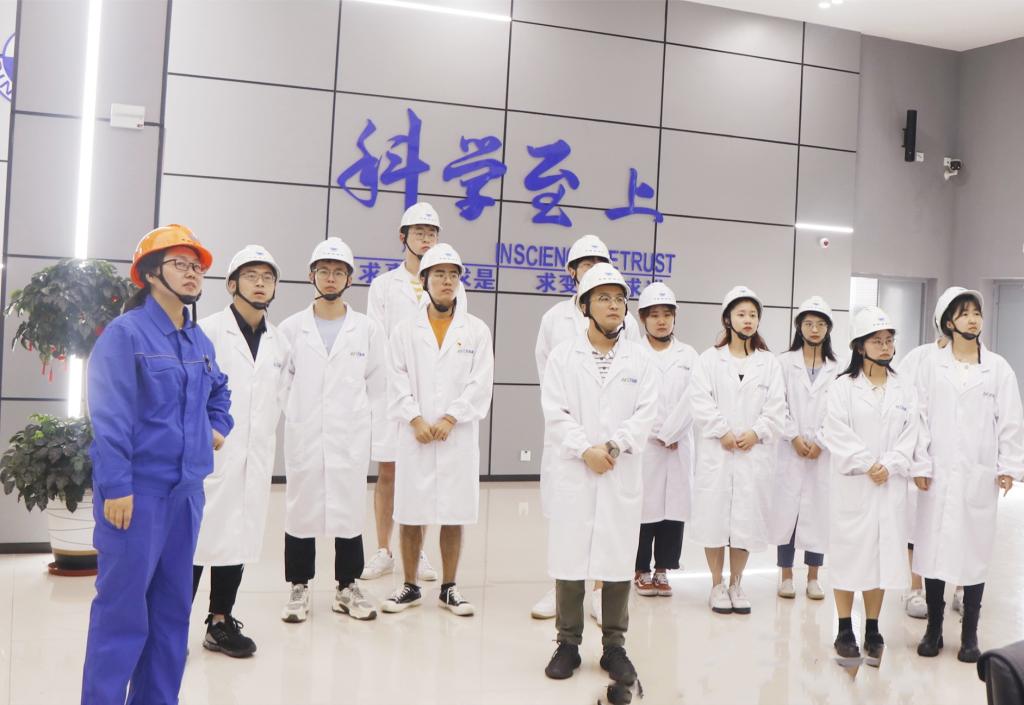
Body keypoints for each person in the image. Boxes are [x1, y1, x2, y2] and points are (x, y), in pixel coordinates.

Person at [81, 225, 233, 705]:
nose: (192, 274)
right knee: (122, 614)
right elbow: (109, 416)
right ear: (150, 274)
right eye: (180, 264)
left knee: (171, 615)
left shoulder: (198, 340)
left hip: (186, 495)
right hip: (137, 495)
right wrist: (117, 486)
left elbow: (220, 392)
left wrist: (217, 426)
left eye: (197, 266)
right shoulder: (125, 335)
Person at [540, 263, 658, 684]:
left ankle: (614, 646)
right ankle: (568, 643)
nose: (613, 305)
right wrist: (584, 449)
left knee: (617, 558)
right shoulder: (563, 356)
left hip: (618, 470)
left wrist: (613, 446)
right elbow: (555, 412)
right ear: (585, 305)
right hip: (576, 470)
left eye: (619, 298)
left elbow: (646, 412)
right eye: (604, 298)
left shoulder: (640, 358)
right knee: (570, 556)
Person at [276, 238, 387, 623]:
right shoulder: (291, 329)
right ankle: (299, 586)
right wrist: (299, 414)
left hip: (349, 435)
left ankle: (347, 586)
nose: (330, 277)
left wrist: (362, 422)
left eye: (339, 271)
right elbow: (281, 384)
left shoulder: (367, 329)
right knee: (300, 508)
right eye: (323, 270)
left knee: (349, 508)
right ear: (311, 275)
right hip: (305, 433)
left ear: (350, 279)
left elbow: (379, 384)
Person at [532, 234, 641, 622]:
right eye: (586, 263)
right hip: (571, 444)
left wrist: (611, 445)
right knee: (567, 524)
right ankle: (562, 594)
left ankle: (600, 594)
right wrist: (581, 445)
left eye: (601, 262)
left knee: (611, 526)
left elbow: (640, 391)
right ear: (572, 272)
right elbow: (550, 383)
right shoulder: (554, 320)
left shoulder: (628, 327)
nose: (594, 269)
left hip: (615, 451)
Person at [912, 289, 1024, 663]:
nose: (974, 319)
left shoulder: (998, 368)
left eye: (977, 312)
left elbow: (1010, 420)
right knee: (933, 549)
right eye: (965, 313)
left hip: (978, 474)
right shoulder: (930, 366)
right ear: (949, 322)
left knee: (974, 551)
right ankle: (933, 629)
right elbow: (918, 416)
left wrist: (1008, 466)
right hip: (937, 472)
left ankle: (970, 634)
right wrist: (920, 463)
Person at [382, 244, 494, 616]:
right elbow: (395, 377)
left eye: (453, 275)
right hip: (414, 434)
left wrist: (451, 418)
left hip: (456, 436)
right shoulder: (404, 330)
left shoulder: (476, 330)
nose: (447, 281)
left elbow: (481, 382)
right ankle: (410, 585)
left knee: (454, 510)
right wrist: (415, 418)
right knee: (410, 511)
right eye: (440, 274)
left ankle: (449, 587)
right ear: (425, 280)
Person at [191, 245, 289, 657]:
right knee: (195, 540)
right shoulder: (207, 331)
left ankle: (220, 621)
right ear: (232, 284)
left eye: (268, 277)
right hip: (209, 453)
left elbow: (280, 397)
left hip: (254, 454)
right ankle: (169, 626)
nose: (260, 283)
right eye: (251, 276)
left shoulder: (280, 342)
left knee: (238, 535)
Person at [363, 202, 463, 584]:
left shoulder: (452, 286)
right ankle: (383, 550)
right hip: (392, 391)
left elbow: (457, 336)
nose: (426, 239)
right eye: (419, 232)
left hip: (432, 395)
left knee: (421, 475)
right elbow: (377, 341)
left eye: (431, 233)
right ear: (403, 236)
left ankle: (416, 551)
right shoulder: (383, 286)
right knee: (388, 470)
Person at [821, 306, 922, 667]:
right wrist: (868, 463)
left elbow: (913, 432)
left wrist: (890, 464)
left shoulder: (904, 388)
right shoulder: (842, 387)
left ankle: (873, 629)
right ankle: (844, 628)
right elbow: (835, 430)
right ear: (859, 346)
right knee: (849, 556)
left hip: (888, 485)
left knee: (881, 558)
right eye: (876, 340)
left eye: (889, 340)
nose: (885, 346)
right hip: (855, 484)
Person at [687, 286, 787, 615]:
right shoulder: (708, 360)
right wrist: (722, 431)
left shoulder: (768, 363)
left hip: (752, 455)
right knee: (714, 519)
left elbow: (777, 407)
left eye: (753, 315)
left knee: (746, 522)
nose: (748, 320)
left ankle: (736, 583)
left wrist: (757, 432)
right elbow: (699, 401)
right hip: (718, 453)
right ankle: (716, 584)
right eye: (741, 314)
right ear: (727, 319)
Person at [770, 296, 841, 602]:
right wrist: (794, 437)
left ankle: (813, 577)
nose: (814, 329)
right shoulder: (783, 363)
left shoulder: (838, 368)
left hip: (823, 453)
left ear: (828, 329)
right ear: (799, 327)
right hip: (790, 450)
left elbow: (840, 410)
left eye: (821, 324)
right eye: (809, 323)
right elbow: (777, 403)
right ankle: (786, 575)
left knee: (817, 513)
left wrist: (821, 440)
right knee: (788, 514)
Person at [632, 282, 697, 598]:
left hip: (679, 444)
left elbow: (695, 398)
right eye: (654, 315)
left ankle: (663, 569)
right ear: (643, 318)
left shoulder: (689, 355)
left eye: (667, 314)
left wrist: (672, 432)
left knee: (673, 509)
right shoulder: (633, 353)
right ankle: (640, 569)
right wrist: (659, 432)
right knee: (644, 509)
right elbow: (632, 400)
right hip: (646, 444)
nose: (661, 321)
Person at [898, 293, 952, 619]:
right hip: (923, 456)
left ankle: (961, 589)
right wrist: (916, 456)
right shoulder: (919, 358)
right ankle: (915, 588)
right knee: (917, 526)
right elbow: (905, 406)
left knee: (959, 526)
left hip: (961, 461)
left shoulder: (984, 363)